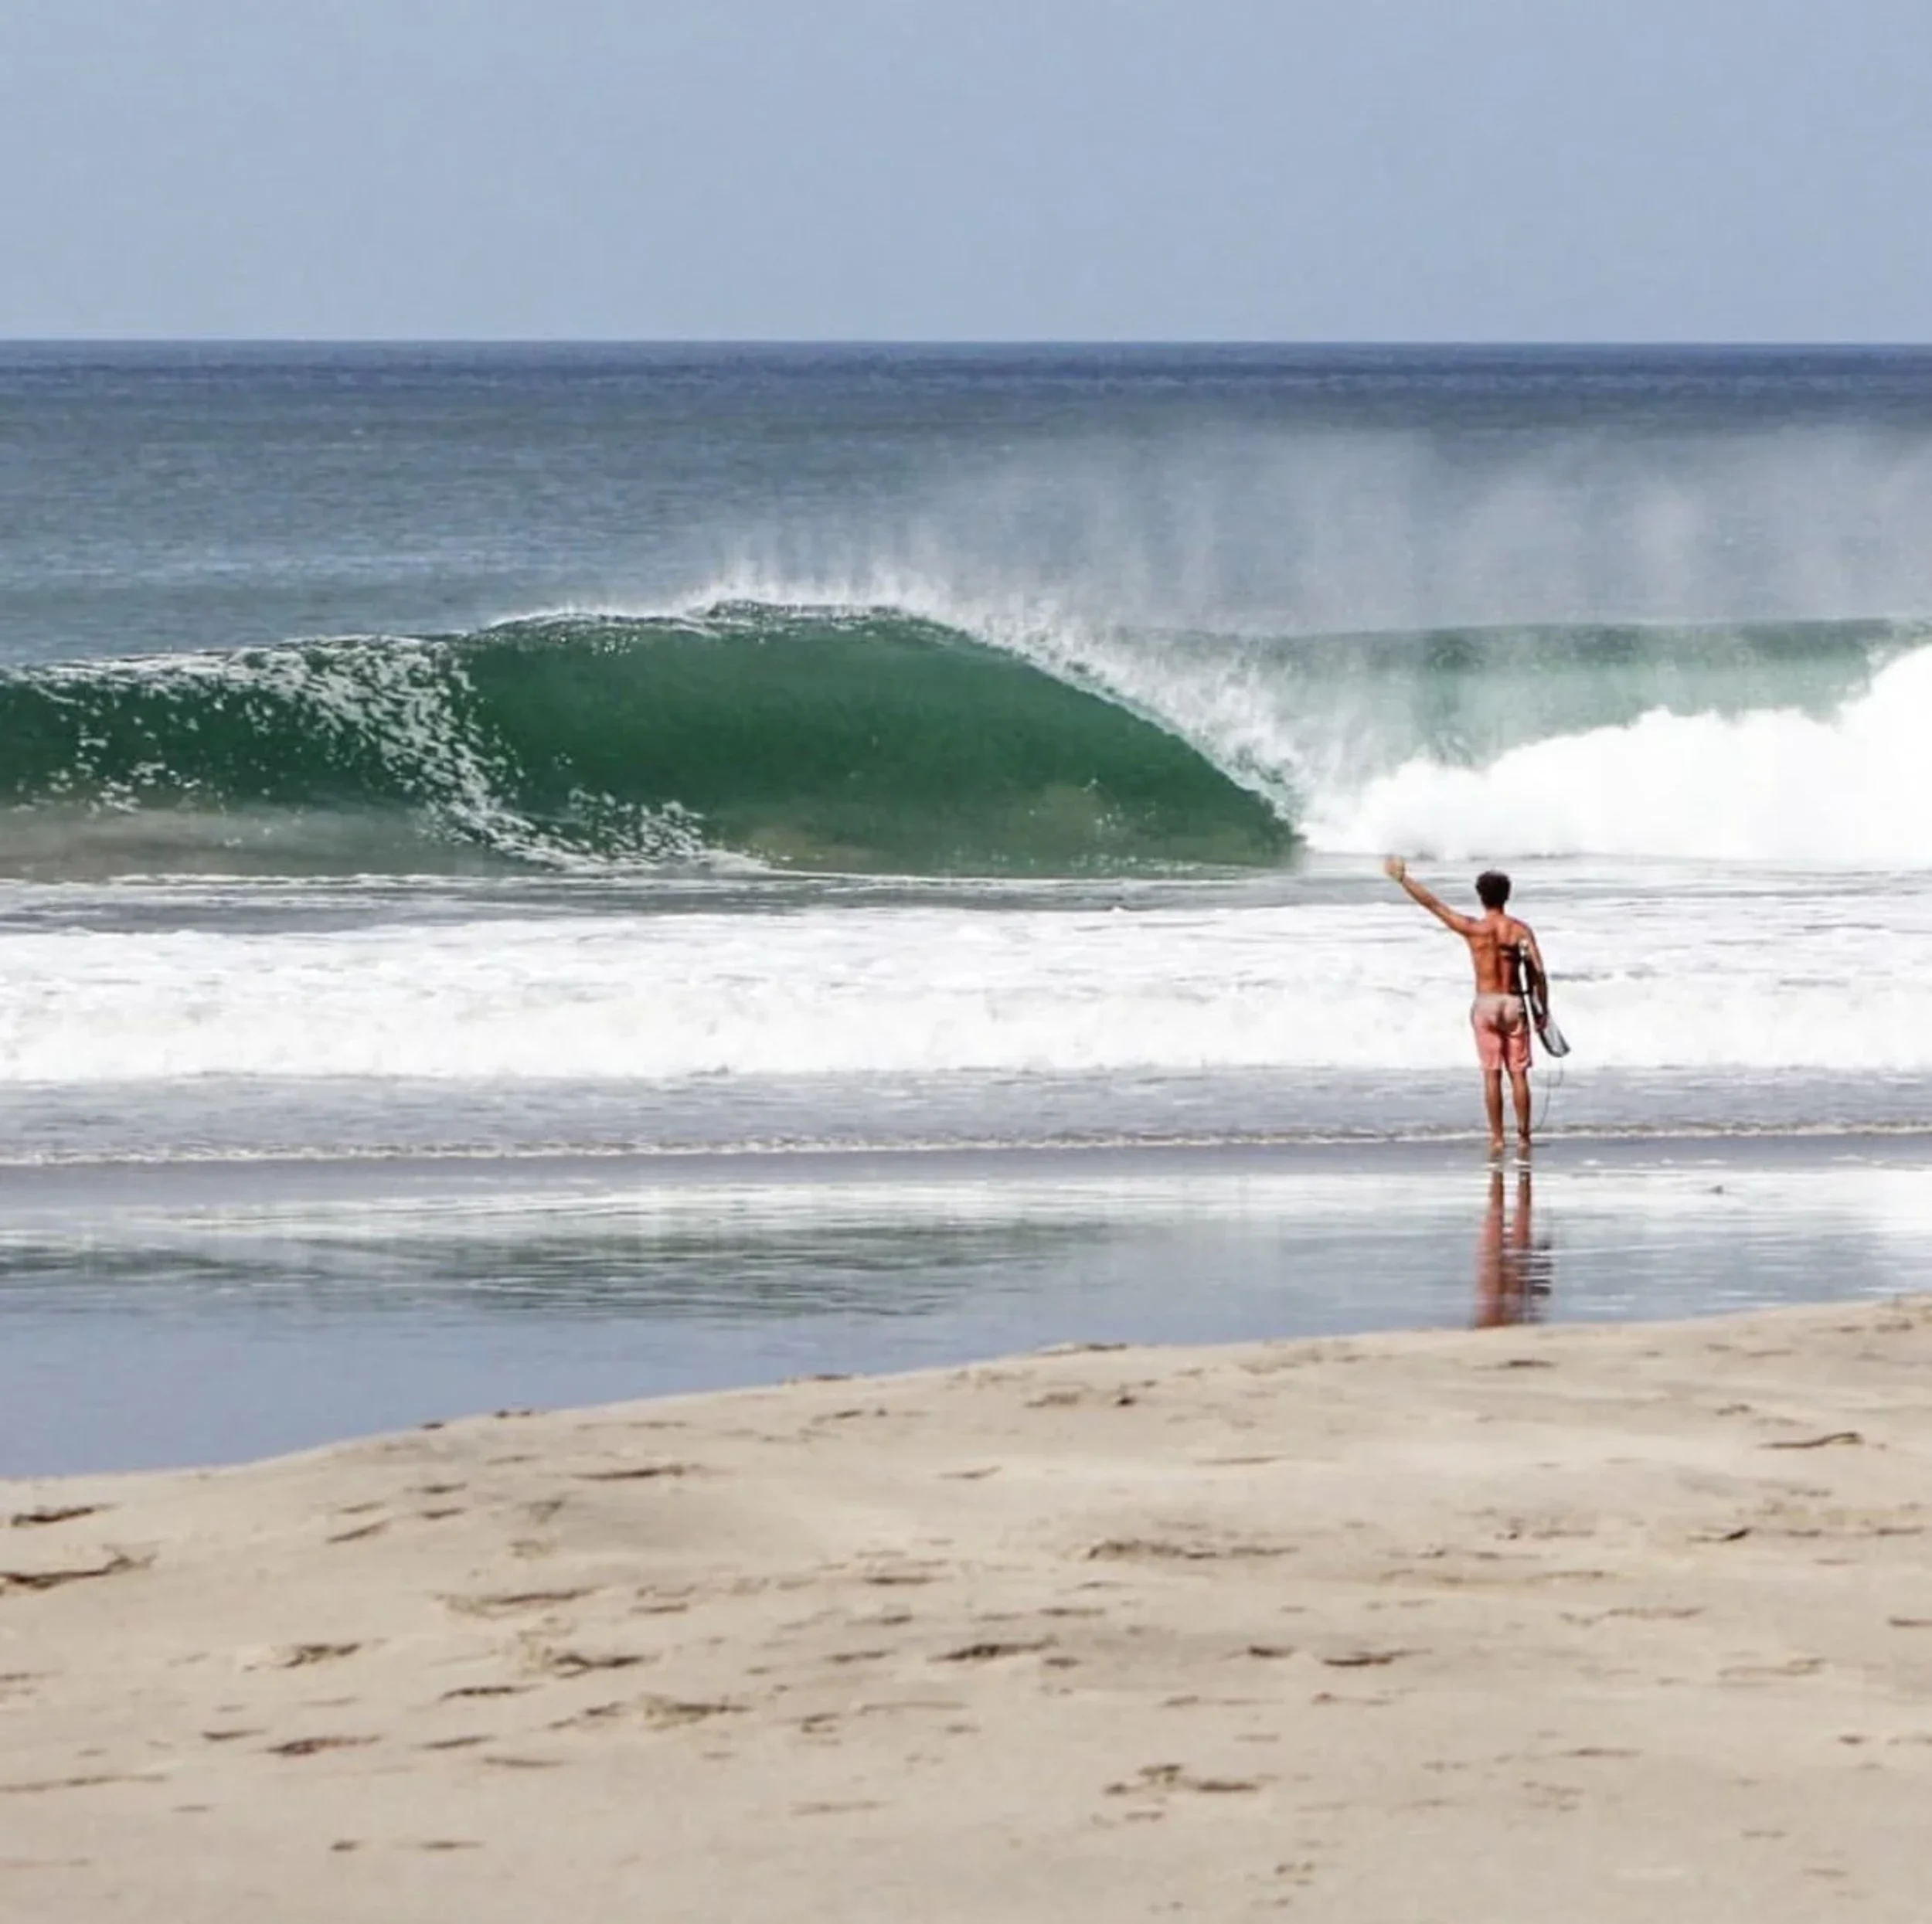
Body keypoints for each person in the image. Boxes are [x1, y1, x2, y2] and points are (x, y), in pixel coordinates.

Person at [1383, 857, 1547, 1155]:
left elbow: (1435, 906)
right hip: (1513, 1003)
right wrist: (1543, 1010)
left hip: (1485, 1004)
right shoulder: (1520, 931)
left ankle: (1497, 1138)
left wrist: (1404, 880)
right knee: (1519, 1075)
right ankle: (1524, 1138)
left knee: (1492, 1074)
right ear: (1507, 895)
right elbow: (1538, 971)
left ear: (1480, 897)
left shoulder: (1474, 930)